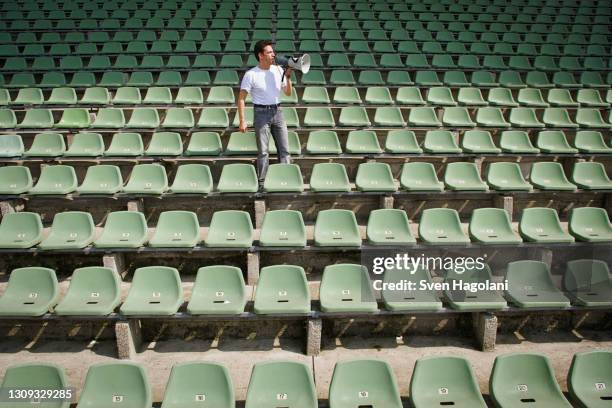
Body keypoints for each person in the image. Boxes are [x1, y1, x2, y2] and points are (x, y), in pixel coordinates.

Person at [238, 40, 293, 187]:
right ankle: (262, 183)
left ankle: (286, 180)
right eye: (269, 52)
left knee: (285, 150)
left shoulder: (279, 70)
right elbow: (241, 98)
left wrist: (288, 77)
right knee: (263, 152)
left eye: (272, 52)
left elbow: (288, 93)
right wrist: (242, 120)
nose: (273, 54)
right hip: (261, 113)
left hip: (278, 111)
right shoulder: (251, 74)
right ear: (260, 56)